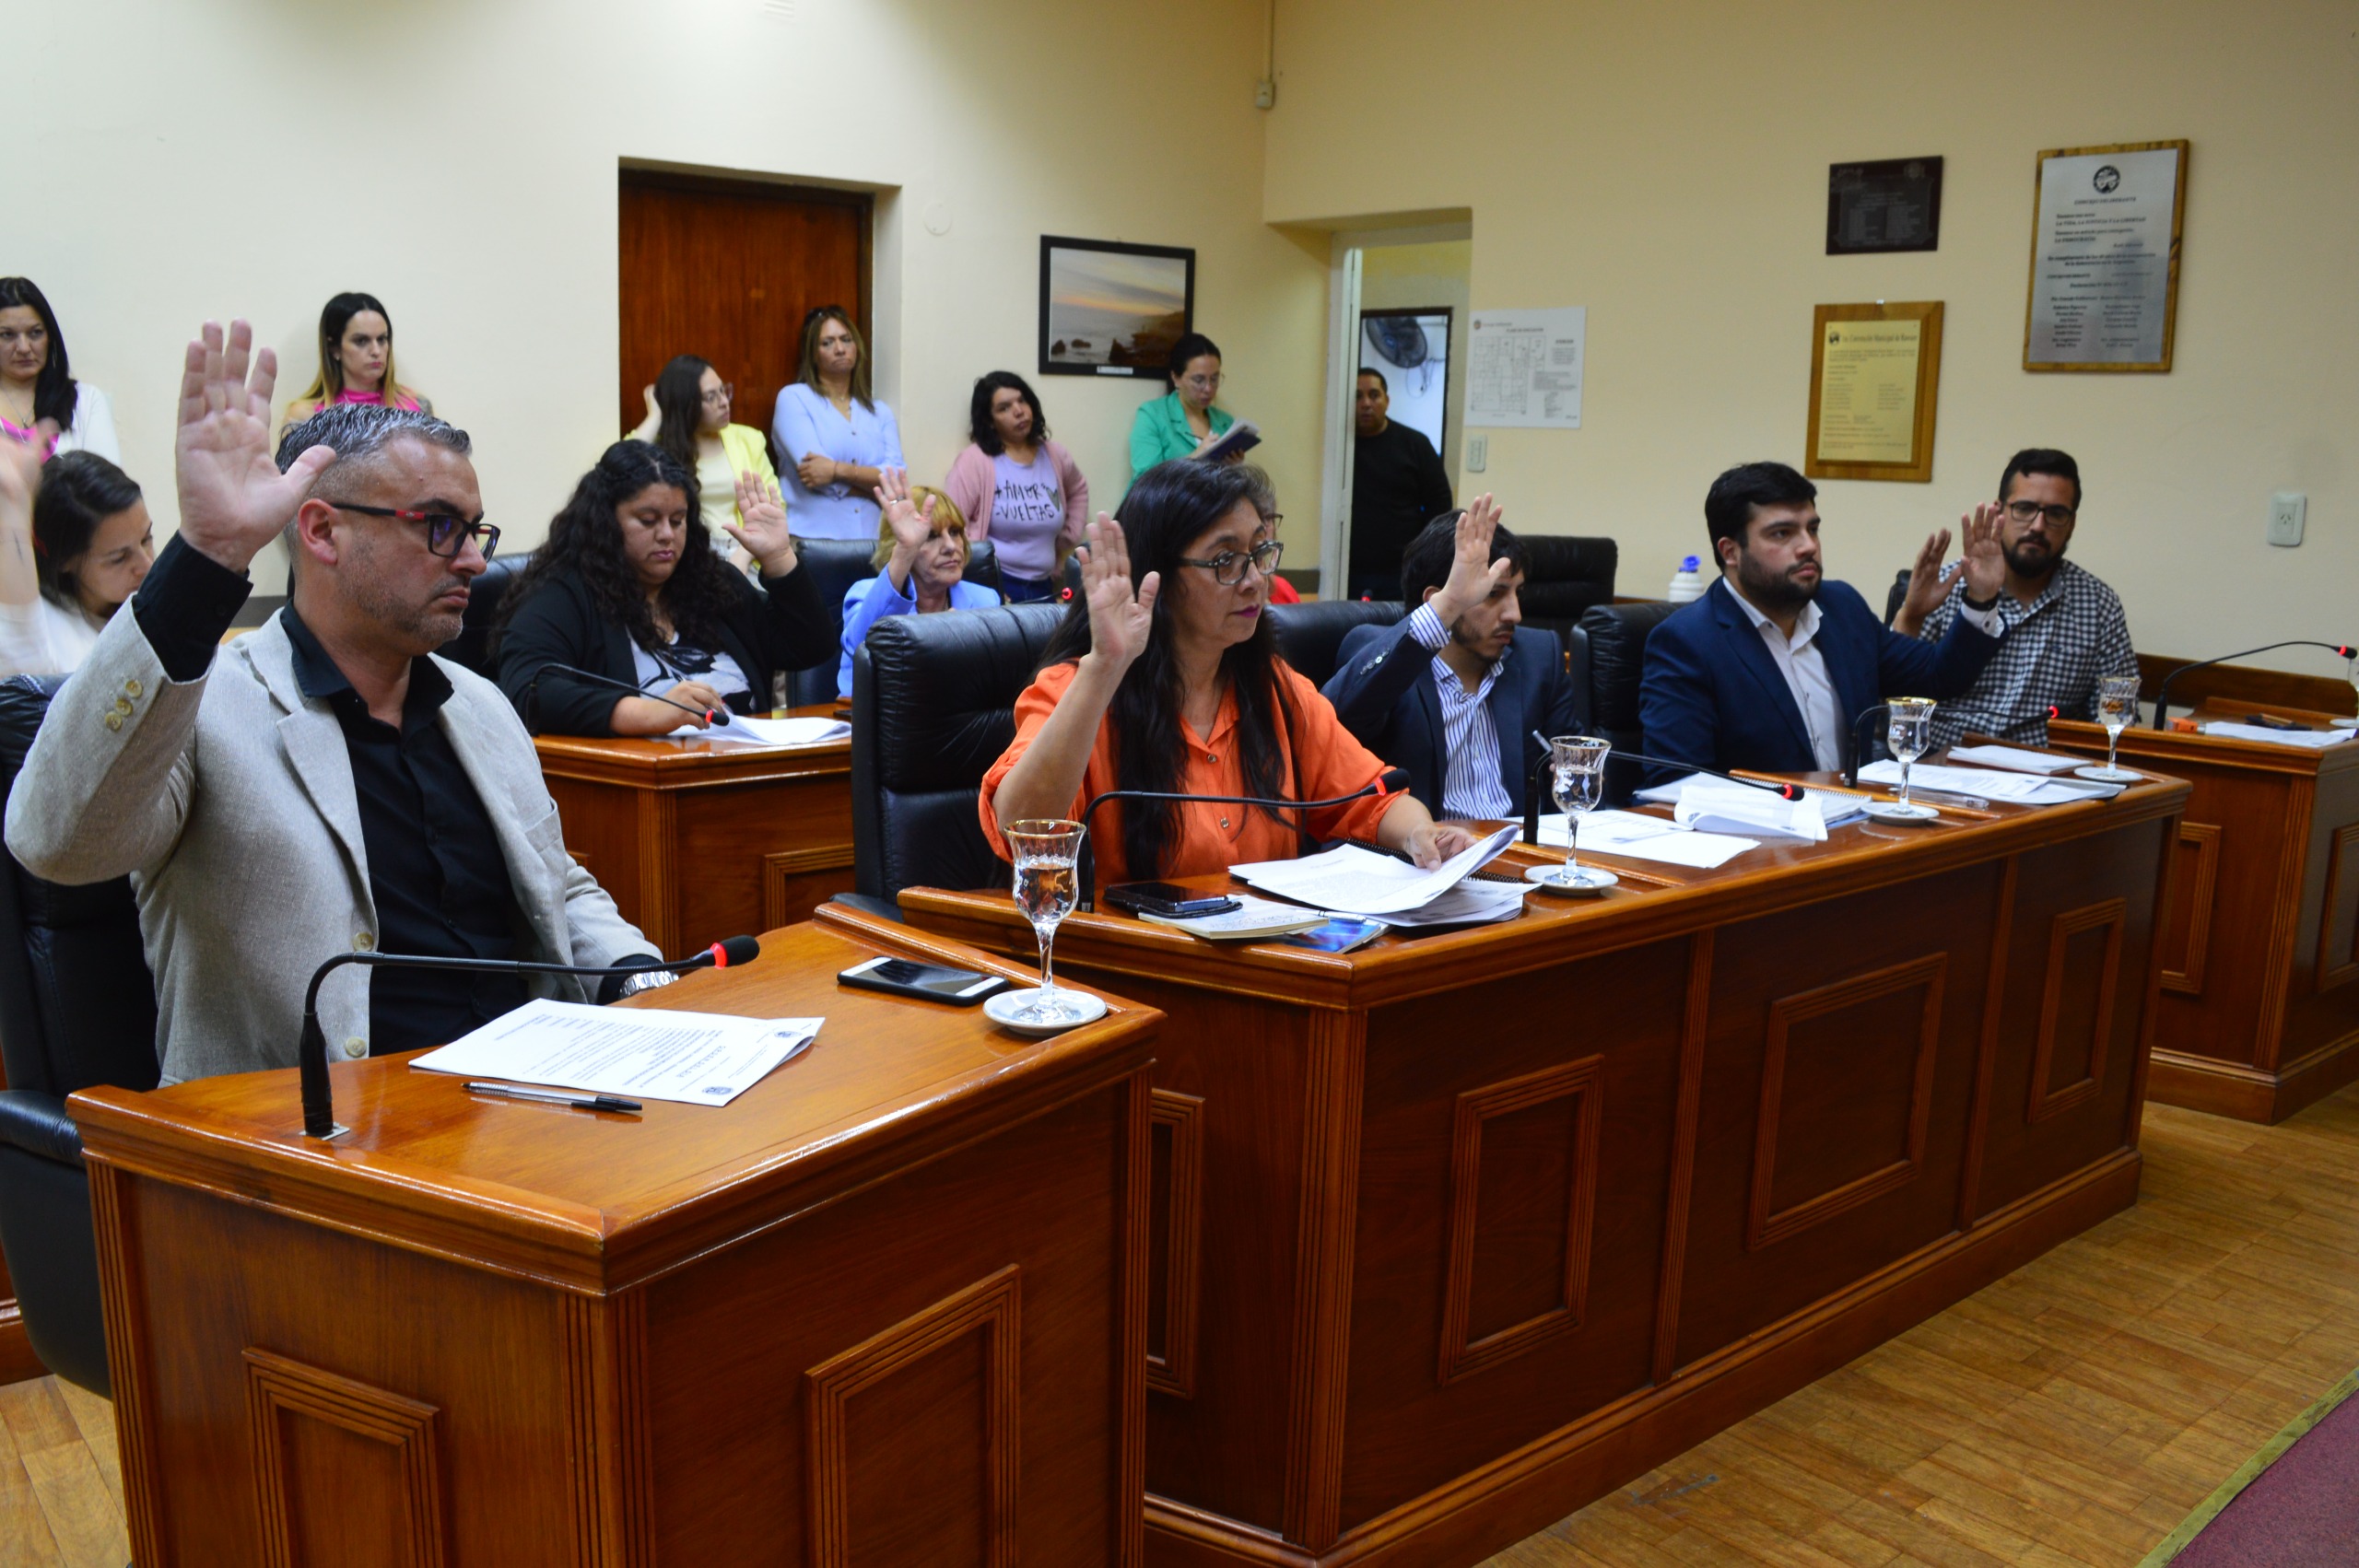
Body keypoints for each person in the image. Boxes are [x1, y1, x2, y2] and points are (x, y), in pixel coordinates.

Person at [3, 321, 656, 1085]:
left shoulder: (479, 706)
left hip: (526, 1105)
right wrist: (204, 559)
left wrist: (644, 980)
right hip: (306, 1135)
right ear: (322, 532)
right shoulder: (205, 705)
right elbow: (56, 841)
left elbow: (555, 886)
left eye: (474, 531)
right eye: (440, 527)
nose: (474, 562)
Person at [980, 460, 1473, 894]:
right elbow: (1021, 828)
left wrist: (1420, 833)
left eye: (1260, 552)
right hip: (1135, 957)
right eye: (1225, 561)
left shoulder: (1274, 687)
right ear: (1159, 577)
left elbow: (1370, 798)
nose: (1256, 580)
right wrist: (1104, 668)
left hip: (1270, 951)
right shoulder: (1078, 689)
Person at [1641, 461, 2005, 778]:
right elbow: (1675, 783)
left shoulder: (1841, 608)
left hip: (1854, 822)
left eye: (1812, 529)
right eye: (1782, 533)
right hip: (1759, 832)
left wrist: (1981, 599)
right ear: (1731, 552)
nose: (1808, 546)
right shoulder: (1688, 642)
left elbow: (1938, 676)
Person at [494, 440, 833, 735]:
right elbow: (530, 691)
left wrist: (778, 557)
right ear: (605, 521)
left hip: (743, 768)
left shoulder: (712, 583)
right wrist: (648, 712)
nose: (667, 535)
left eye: (677, 520)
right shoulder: (562, 595)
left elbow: (811, 647)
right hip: (638, 780)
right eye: (648, 520)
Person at [1324, 499, 1579, 822]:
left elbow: (1582, 772)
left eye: (1518, 593)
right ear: (1438, 600)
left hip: (1516, 846)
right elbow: (1332, 725)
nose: (1515, 614)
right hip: (1423, 846)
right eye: (1492, 594)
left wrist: (1572, 778)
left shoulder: (1540, 656)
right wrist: (1446, 609)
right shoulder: (1383, 655)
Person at [1892, 449, 2136, 749]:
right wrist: (1911, 615)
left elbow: (2117, 721)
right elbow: (1893, 696)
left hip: (2042, 770)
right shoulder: (1948, 585)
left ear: (2071, 524)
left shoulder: (2099, 606)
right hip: (1943, 762)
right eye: (2024, 508)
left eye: (2056, 514)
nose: (2038, 526)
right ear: (1999, 512)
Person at [835, 471, 1001, 696]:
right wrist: (906, 550)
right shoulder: (865, 594)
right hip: (876, 715)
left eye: (954, 532)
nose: (951, 546)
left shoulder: (986, 601)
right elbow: (863, 648)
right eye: (931, 536)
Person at [0, 449, 154, 676]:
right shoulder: (45, 644)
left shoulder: (155, 601)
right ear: (64, 560)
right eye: (119, 558)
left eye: (146, 539)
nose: (147, 566)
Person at [943, 371, 1089, 603]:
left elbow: (1078, 489)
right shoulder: (975, 461)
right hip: (996, 585)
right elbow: (951, 521)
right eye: (1004, 408)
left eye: (1022, 401)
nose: (1019, 411)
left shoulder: (1054, 455)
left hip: (1045, 584)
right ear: (989, 420)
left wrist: (1067, 537)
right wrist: (982, 581)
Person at [631, 354, 784, 558]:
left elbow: (775, 505)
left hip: (745, 550)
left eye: (723, 391)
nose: (724, 402)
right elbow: (617, 466)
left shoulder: (748, 439)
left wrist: (743, 556)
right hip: (690, 557)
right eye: (711, 397)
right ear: (687, 404)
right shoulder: (661, 449)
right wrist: (655, 415)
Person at [770, 307, 903, 540]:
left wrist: (836, 470)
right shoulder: (794, 399)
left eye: (846, 340)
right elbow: (815, 476)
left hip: (872, 540)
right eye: (827, 343)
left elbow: (896, 478)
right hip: (813, 539)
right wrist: (876, 491)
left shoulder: (879, 411)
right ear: (813, 353)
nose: (840, 349)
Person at [1345, 368, 1452, 602]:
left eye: (1374, 395)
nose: (1365, 403)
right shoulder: (1340, 447)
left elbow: (1440, 503)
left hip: (1403, 571)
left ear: (1387, 400)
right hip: (1348, 570)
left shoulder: (1415, 444)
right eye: (1357, 396)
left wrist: (1423, 554)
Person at [0, 277, 118, 461]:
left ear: (50, 337)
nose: (23, 347)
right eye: (7, 335)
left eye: (35, 333)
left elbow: (106, 478)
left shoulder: (86, 401)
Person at [282, 291, 431, 427]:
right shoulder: (306, 416)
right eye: (361, 341)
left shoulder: (416, 406)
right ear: (334, 348)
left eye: (382, 339)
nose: (376, 351)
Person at [1127, 333, 1236, 490]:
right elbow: (1145, 482)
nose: (1208, 388)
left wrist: (1234, 467)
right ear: (1176, 378)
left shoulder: (1225, 422)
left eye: (1214, 379)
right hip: (1163, 505)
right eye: (1199, 380)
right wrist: (1195, 458)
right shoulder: (1152, 415)